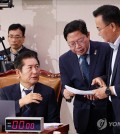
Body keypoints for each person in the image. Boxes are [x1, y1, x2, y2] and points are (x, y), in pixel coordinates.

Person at [59, 19, 112, 134]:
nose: (77, 46)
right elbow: (65, 84)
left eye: (80, 40)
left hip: (106, 110)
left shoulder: (105, 49)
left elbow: (114, 75)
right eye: (72, 44)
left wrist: (102, 80)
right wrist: (65, 92)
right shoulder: (64, 59)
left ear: (88, 35)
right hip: (82, 114)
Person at [0, 51, 60, 123]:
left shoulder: (48, 92)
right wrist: (21, 102)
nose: (35, 71)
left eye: (37, 67)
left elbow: (54, 123)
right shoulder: (5, 92)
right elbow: (2, 120)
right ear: (18, 72)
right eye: (30, 68)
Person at [91, 5, 120, 134]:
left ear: (112, 26)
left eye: (99, 29)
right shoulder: (112, 47)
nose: (98, 33)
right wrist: (103, 79)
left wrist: (108, 91)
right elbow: (115, 76)